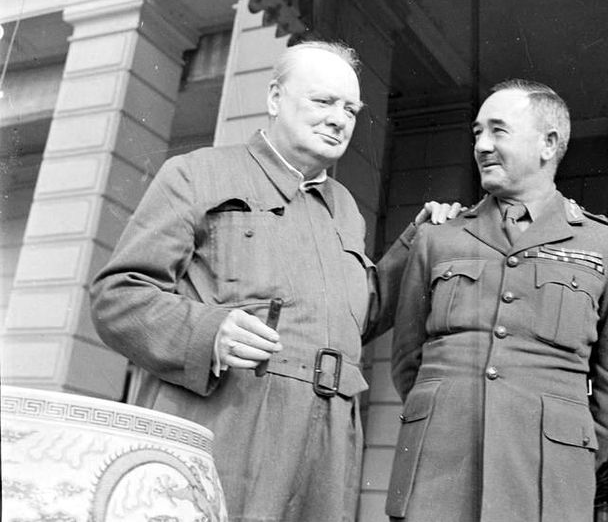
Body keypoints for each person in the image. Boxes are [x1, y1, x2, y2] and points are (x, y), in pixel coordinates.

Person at [90, 40, 459, 522]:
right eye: (323, 101)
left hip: (327, 446)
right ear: (274, 98)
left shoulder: (343, 207)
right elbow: (118, 297)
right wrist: (208, 332)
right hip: (227, 424)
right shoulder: (196, 174)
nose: (339, 118)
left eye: (350, 108)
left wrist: (418, 242)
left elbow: (357, 317)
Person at [387, 79, 608, 522]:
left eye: (498, 131)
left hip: (544, 487)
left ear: (548, 144)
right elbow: (406, 361)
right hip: (436, 477)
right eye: (476, 134)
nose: (482, 146)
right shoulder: (437, 238)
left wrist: (564, 450)